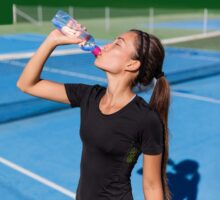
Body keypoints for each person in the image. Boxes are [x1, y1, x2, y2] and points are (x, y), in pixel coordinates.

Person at [17, 27, 172, 200]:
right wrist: (53, 40)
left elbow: (152, 186)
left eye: (117, 44)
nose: (106, 46)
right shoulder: (89, 96)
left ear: (132, 64)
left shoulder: (145, 119)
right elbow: (27, 84)